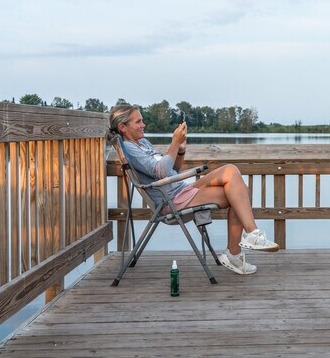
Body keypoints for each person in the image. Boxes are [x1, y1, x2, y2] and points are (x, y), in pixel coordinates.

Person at [109, 104, 279, 276]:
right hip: (171, 201)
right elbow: (160, 172)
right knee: (234, 179)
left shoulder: (142, 142)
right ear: (123, 127)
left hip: (181, 190)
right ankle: (246, 240)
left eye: (142, 121)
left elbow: (171, 170)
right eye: (138, 122)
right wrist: (174, 142)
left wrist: (180, 150)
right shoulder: (129, 148)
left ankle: (239, 248)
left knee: (238, 185)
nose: (143, 125)